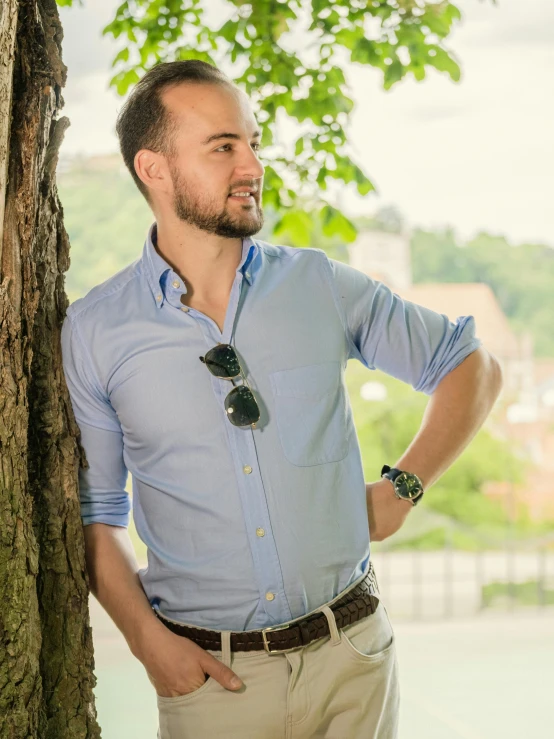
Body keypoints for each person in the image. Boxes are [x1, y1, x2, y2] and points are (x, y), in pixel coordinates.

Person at [60, 60, 503, 739]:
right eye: (223, 146)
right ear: (154, 168)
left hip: (353, 660)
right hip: (213, 684)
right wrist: (151, 646)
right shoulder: (96, 331)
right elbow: (98, 517)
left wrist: (403, 487)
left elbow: (472, 365)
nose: (252, 165)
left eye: (254, 142)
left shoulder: (318, 284)